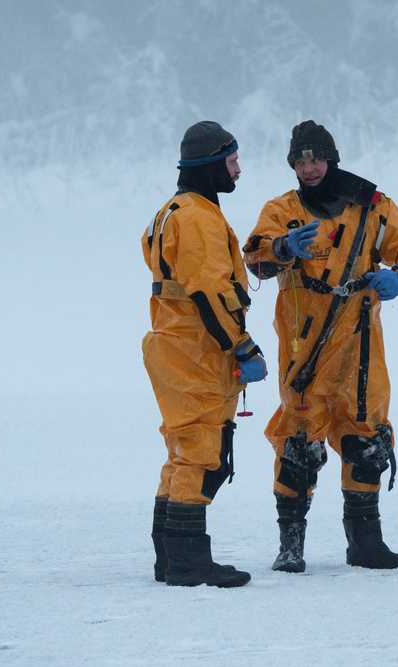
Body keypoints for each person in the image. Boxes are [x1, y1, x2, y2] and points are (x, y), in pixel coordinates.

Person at [242, 120, 398, 571]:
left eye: (316, 158)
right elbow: (254, 256)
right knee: (299, 443)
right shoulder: (282, 209)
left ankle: (365, 544)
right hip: (304, 345)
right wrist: (284, 247)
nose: (308, 168)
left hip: (359, 345)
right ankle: (291, 547)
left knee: (366, 437)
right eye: (300, 161)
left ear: (332, 158)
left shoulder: (372, 206)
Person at [142, 121, 267, 587]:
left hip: (172, 344)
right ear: (212, 164)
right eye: (232, 162)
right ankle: (190, 564)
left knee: (180, 451)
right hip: (196, 349)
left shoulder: (169, 212)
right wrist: (242, 345)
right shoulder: (196, 218)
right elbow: (211, 292)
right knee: (199, 451)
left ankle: (170, 558)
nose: (238, 170)